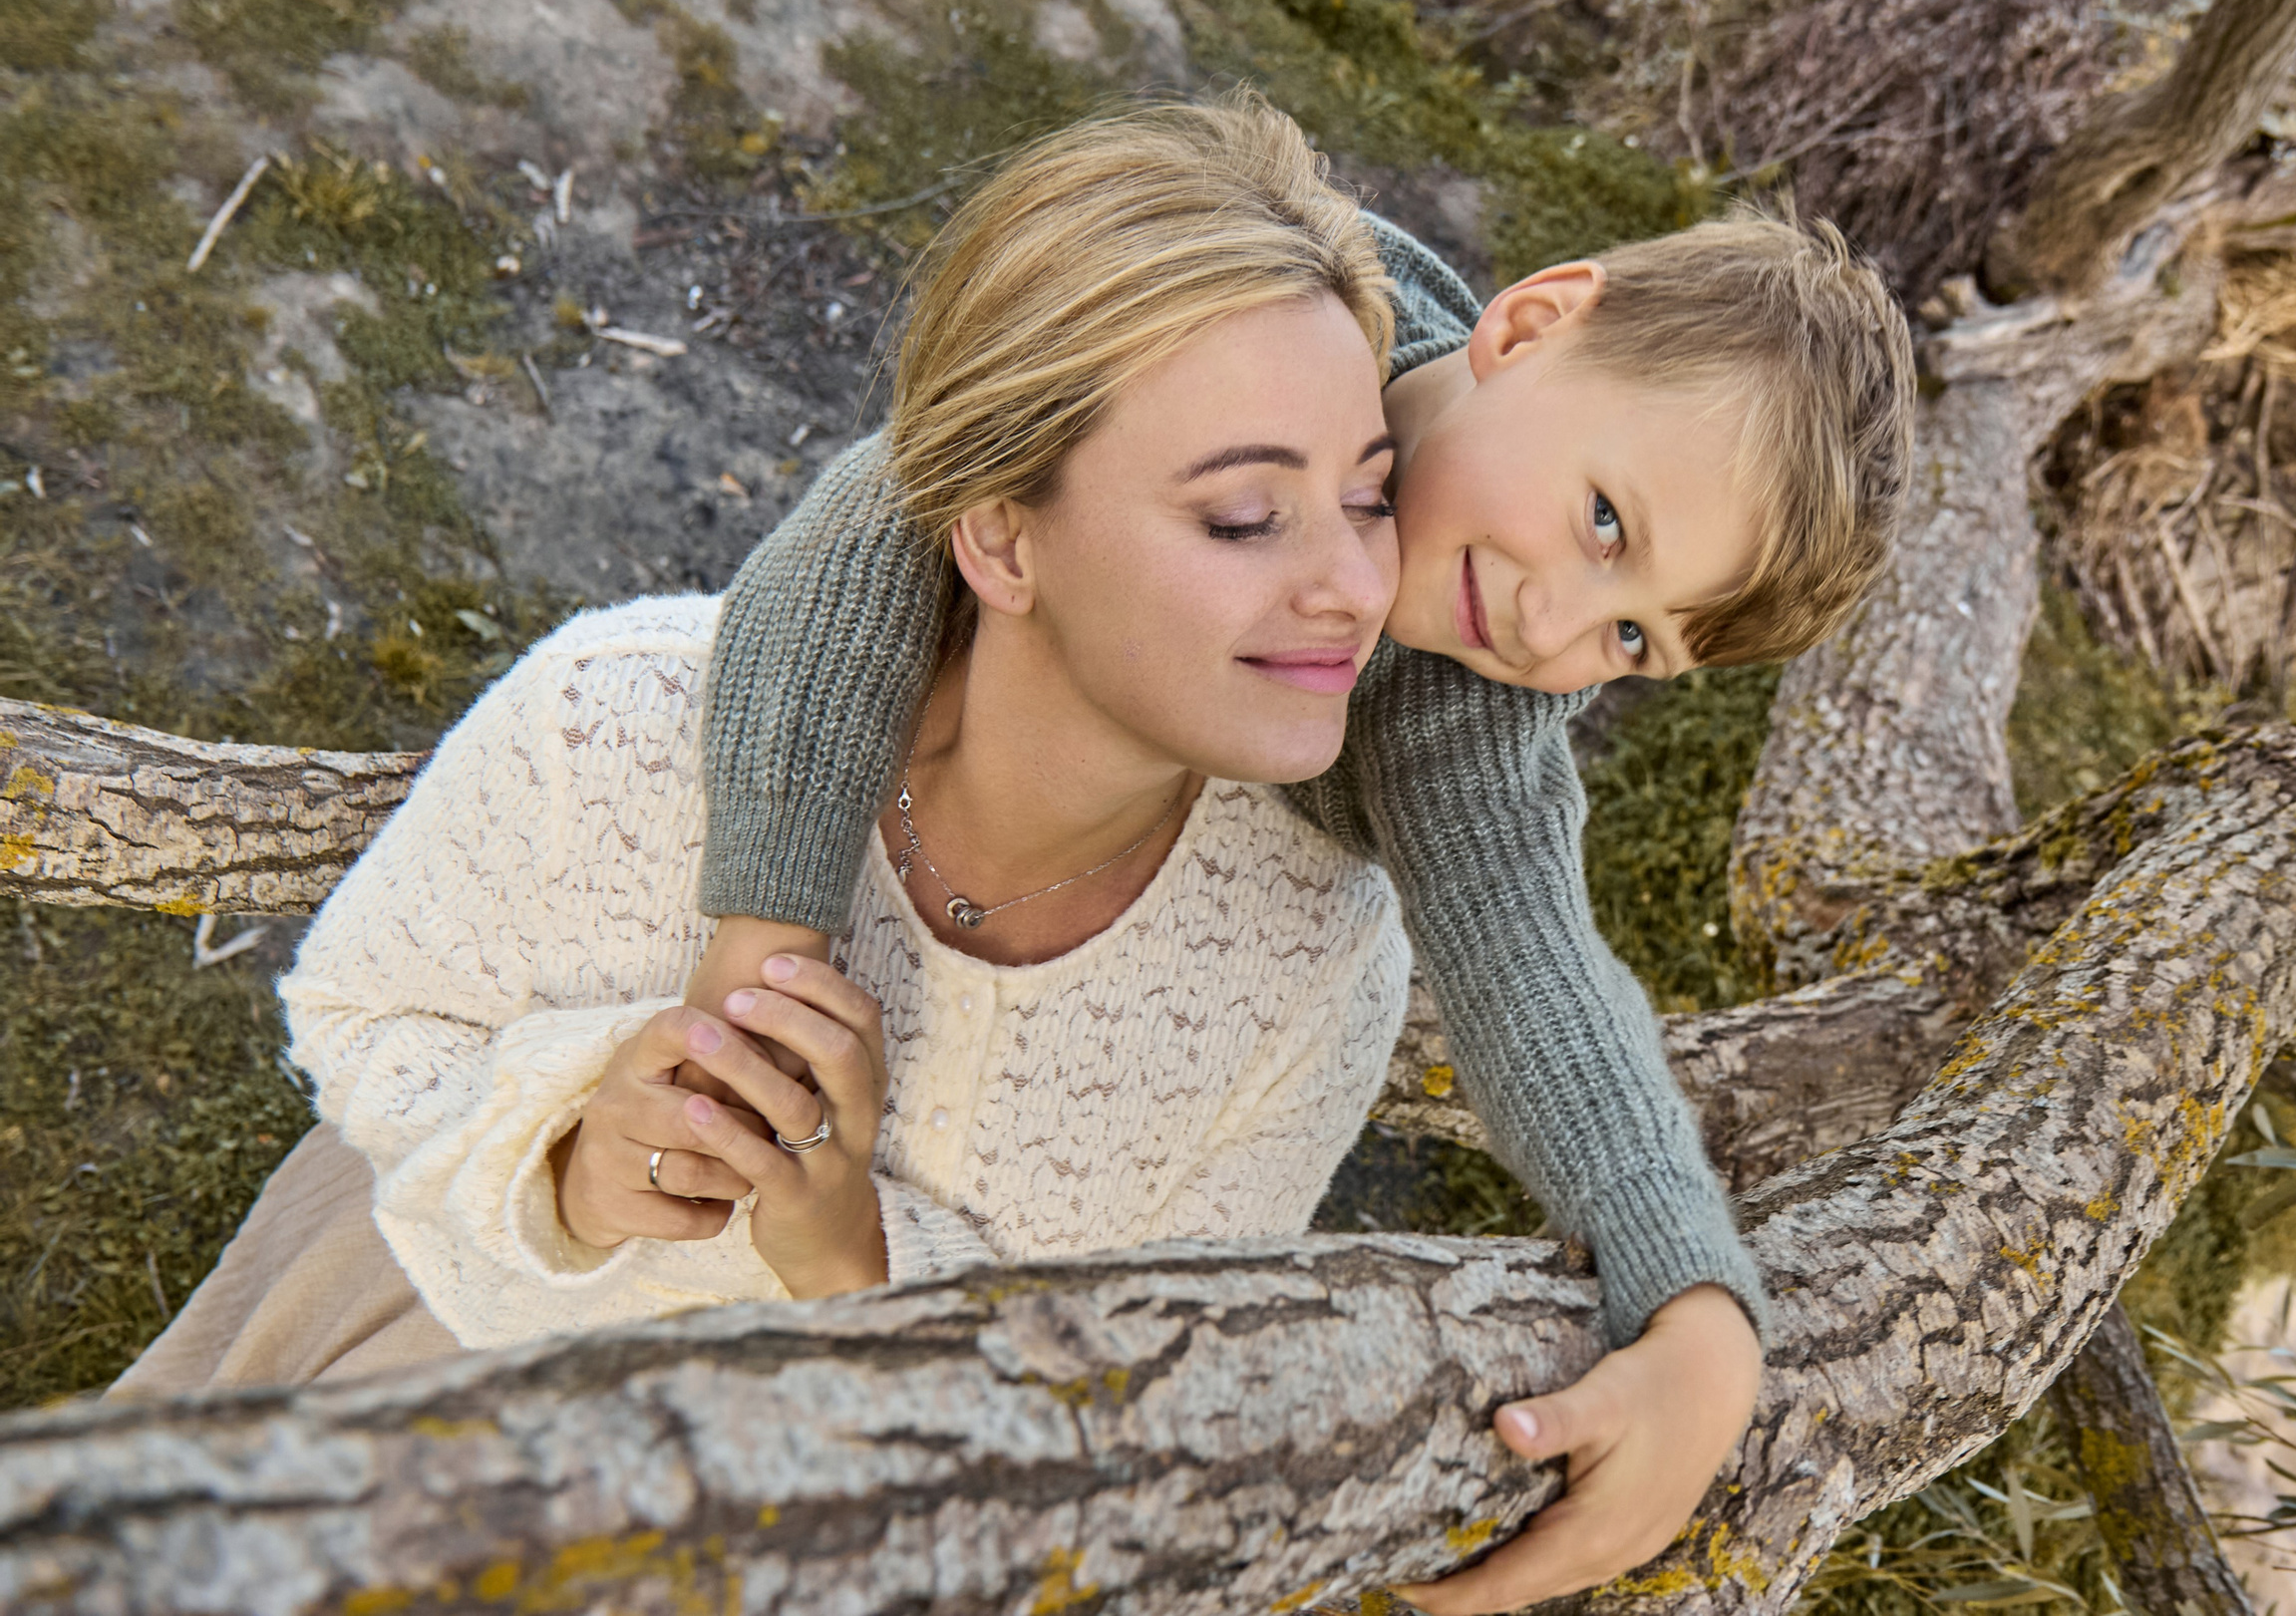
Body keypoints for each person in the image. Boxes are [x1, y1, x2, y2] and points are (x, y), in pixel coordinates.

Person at [686, 106, 1914, 1609]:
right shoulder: (1303, 314)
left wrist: (1696, 1303)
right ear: (1530, 325)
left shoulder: (1464, 710)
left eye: (1633, 635)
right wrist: (771, 913)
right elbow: (883, 511)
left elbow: (1533, 968)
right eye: (1604, 523)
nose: (1555, 630)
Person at [111, 99, 1417, 1394]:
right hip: (415, 1352)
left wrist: (859, 1256)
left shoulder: (1317, 961)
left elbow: (1148, 1376)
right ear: (1005, 536)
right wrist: (572, 1157)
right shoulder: (615, 721)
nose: (1354, 585)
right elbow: (358, 1010)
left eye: (1370, 495)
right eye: (1247, 514)